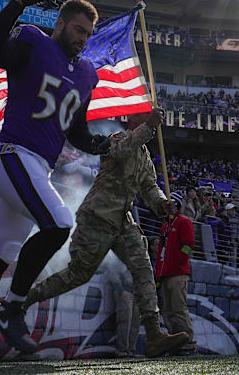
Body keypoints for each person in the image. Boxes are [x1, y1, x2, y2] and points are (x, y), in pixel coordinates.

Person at [0, 0, 111, 367]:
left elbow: (75, 130)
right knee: (59, 223)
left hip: (37, 167)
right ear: (61, 23)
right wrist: (18, 4)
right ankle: (12, 308)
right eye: (77, 29)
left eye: (87, 34)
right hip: (13, 153)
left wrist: (97, 144)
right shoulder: (33, 43)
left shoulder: (85, 74)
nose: (81, 38)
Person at [22, 110, 190, 358]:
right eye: (145, 119)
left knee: (143, 268)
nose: (151, 123)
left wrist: (163, 203)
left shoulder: (144, 156)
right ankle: (23, 300)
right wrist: (149, 128)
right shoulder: (117, 138)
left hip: (122, 220)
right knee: (78, 274)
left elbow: (150, 188)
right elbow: (121, 152)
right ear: (134, 122)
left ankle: (154, 335)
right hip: (97, 216)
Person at [156, 192, 197, 355]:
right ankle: (175, 341)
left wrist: (179, 261)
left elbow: (189, 245)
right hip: (165, 274)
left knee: (179, 308)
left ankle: (188, 342)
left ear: (177, 205)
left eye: (171, 204)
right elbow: (160, 251)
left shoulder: (184, 222)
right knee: (167, 310)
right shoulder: (165, 226)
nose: (168, 208)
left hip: (177, 273)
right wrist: (159, 273)